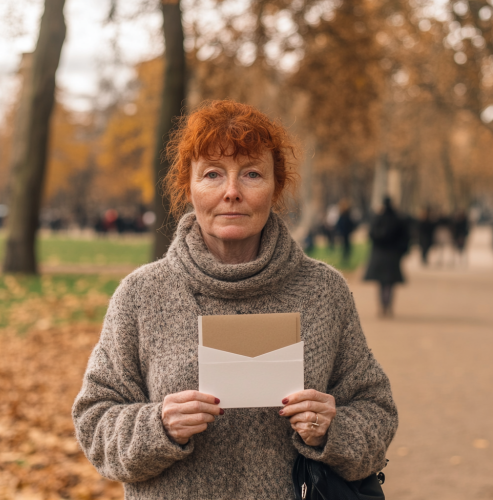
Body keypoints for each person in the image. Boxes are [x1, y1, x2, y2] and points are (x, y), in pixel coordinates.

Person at [72, 100, 397, 499]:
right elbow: (94, 423)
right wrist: (159, 425)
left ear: (276, 187)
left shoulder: (323, 291)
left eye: (252, 174)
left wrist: (334, 427)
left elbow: (376, 411)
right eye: (212, 174)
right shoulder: (141, 295)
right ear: (187, 187)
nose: (231, 192)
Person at [364, 197, 410, 317]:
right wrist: (401, 251)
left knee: (381, 282)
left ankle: (382, 306)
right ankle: (388, 305)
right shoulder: (398, 219)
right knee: (390, 282)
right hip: (393, 254)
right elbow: (405, 238)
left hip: (379, 254)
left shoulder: (377, 219)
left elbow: (371, 235)